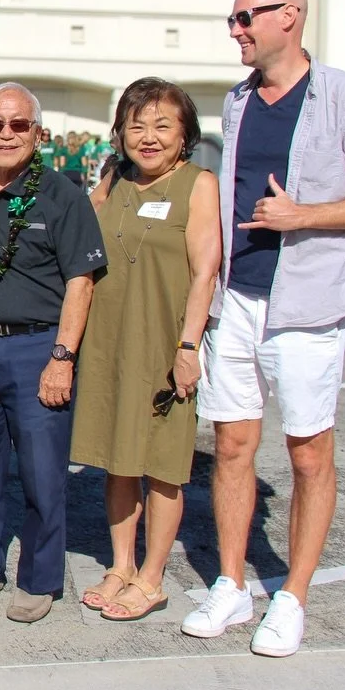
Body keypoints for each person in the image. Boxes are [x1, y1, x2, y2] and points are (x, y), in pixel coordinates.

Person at [181, 0, 345, 657]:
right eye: (232, 19)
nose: (235, 30)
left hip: (310, 304)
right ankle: (231, 583)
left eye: (245, 17)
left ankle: (293, 595)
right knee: (231, 445)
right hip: (238, 300)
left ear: (290, 16)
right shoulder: (239, 100)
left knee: (308, 452)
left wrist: (302, 216)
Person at [0, 82, 105, 624]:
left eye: (18, 125)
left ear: (38, 133)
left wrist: (62, 357)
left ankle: (38, 579)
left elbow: (82, 282)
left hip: (39, 347)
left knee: (42, 473)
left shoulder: (62, 196)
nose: (6, 134)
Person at [70, 78, 220, 621]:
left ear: (184, 134)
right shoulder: (114, 180)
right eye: (137, 126)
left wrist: (189, 346)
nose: (149, 137)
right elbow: (82, 239)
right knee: (118, 459)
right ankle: (120, 566)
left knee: (162, 464)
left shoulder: (198, 184)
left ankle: (152, 577)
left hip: (163, 340)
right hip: (109, 341)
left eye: (162, 126)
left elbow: (205, 270)